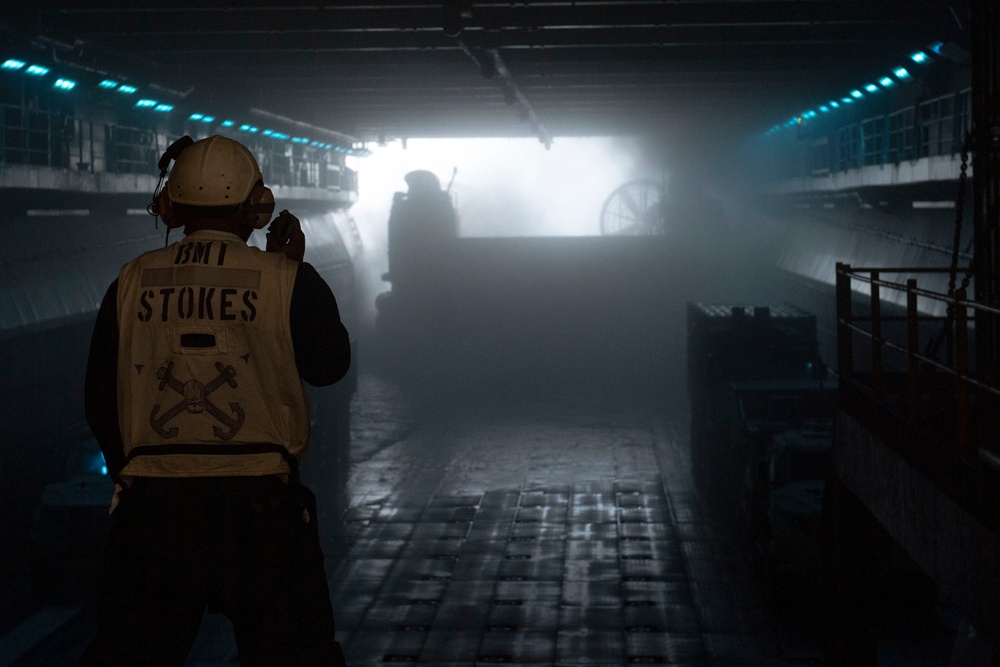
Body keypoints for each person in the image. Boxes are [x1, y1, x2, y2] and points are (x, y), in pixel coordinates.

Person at [81, 135, 350, 666]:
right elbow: (329, 367)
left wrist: (133, 472)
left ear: (170, 206)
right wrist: (295, 270)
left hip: (154, 516)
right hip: (262, 514)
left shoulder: (130, 282)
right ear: (257, 207)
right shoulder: (285, 280)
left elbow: (98, 397)